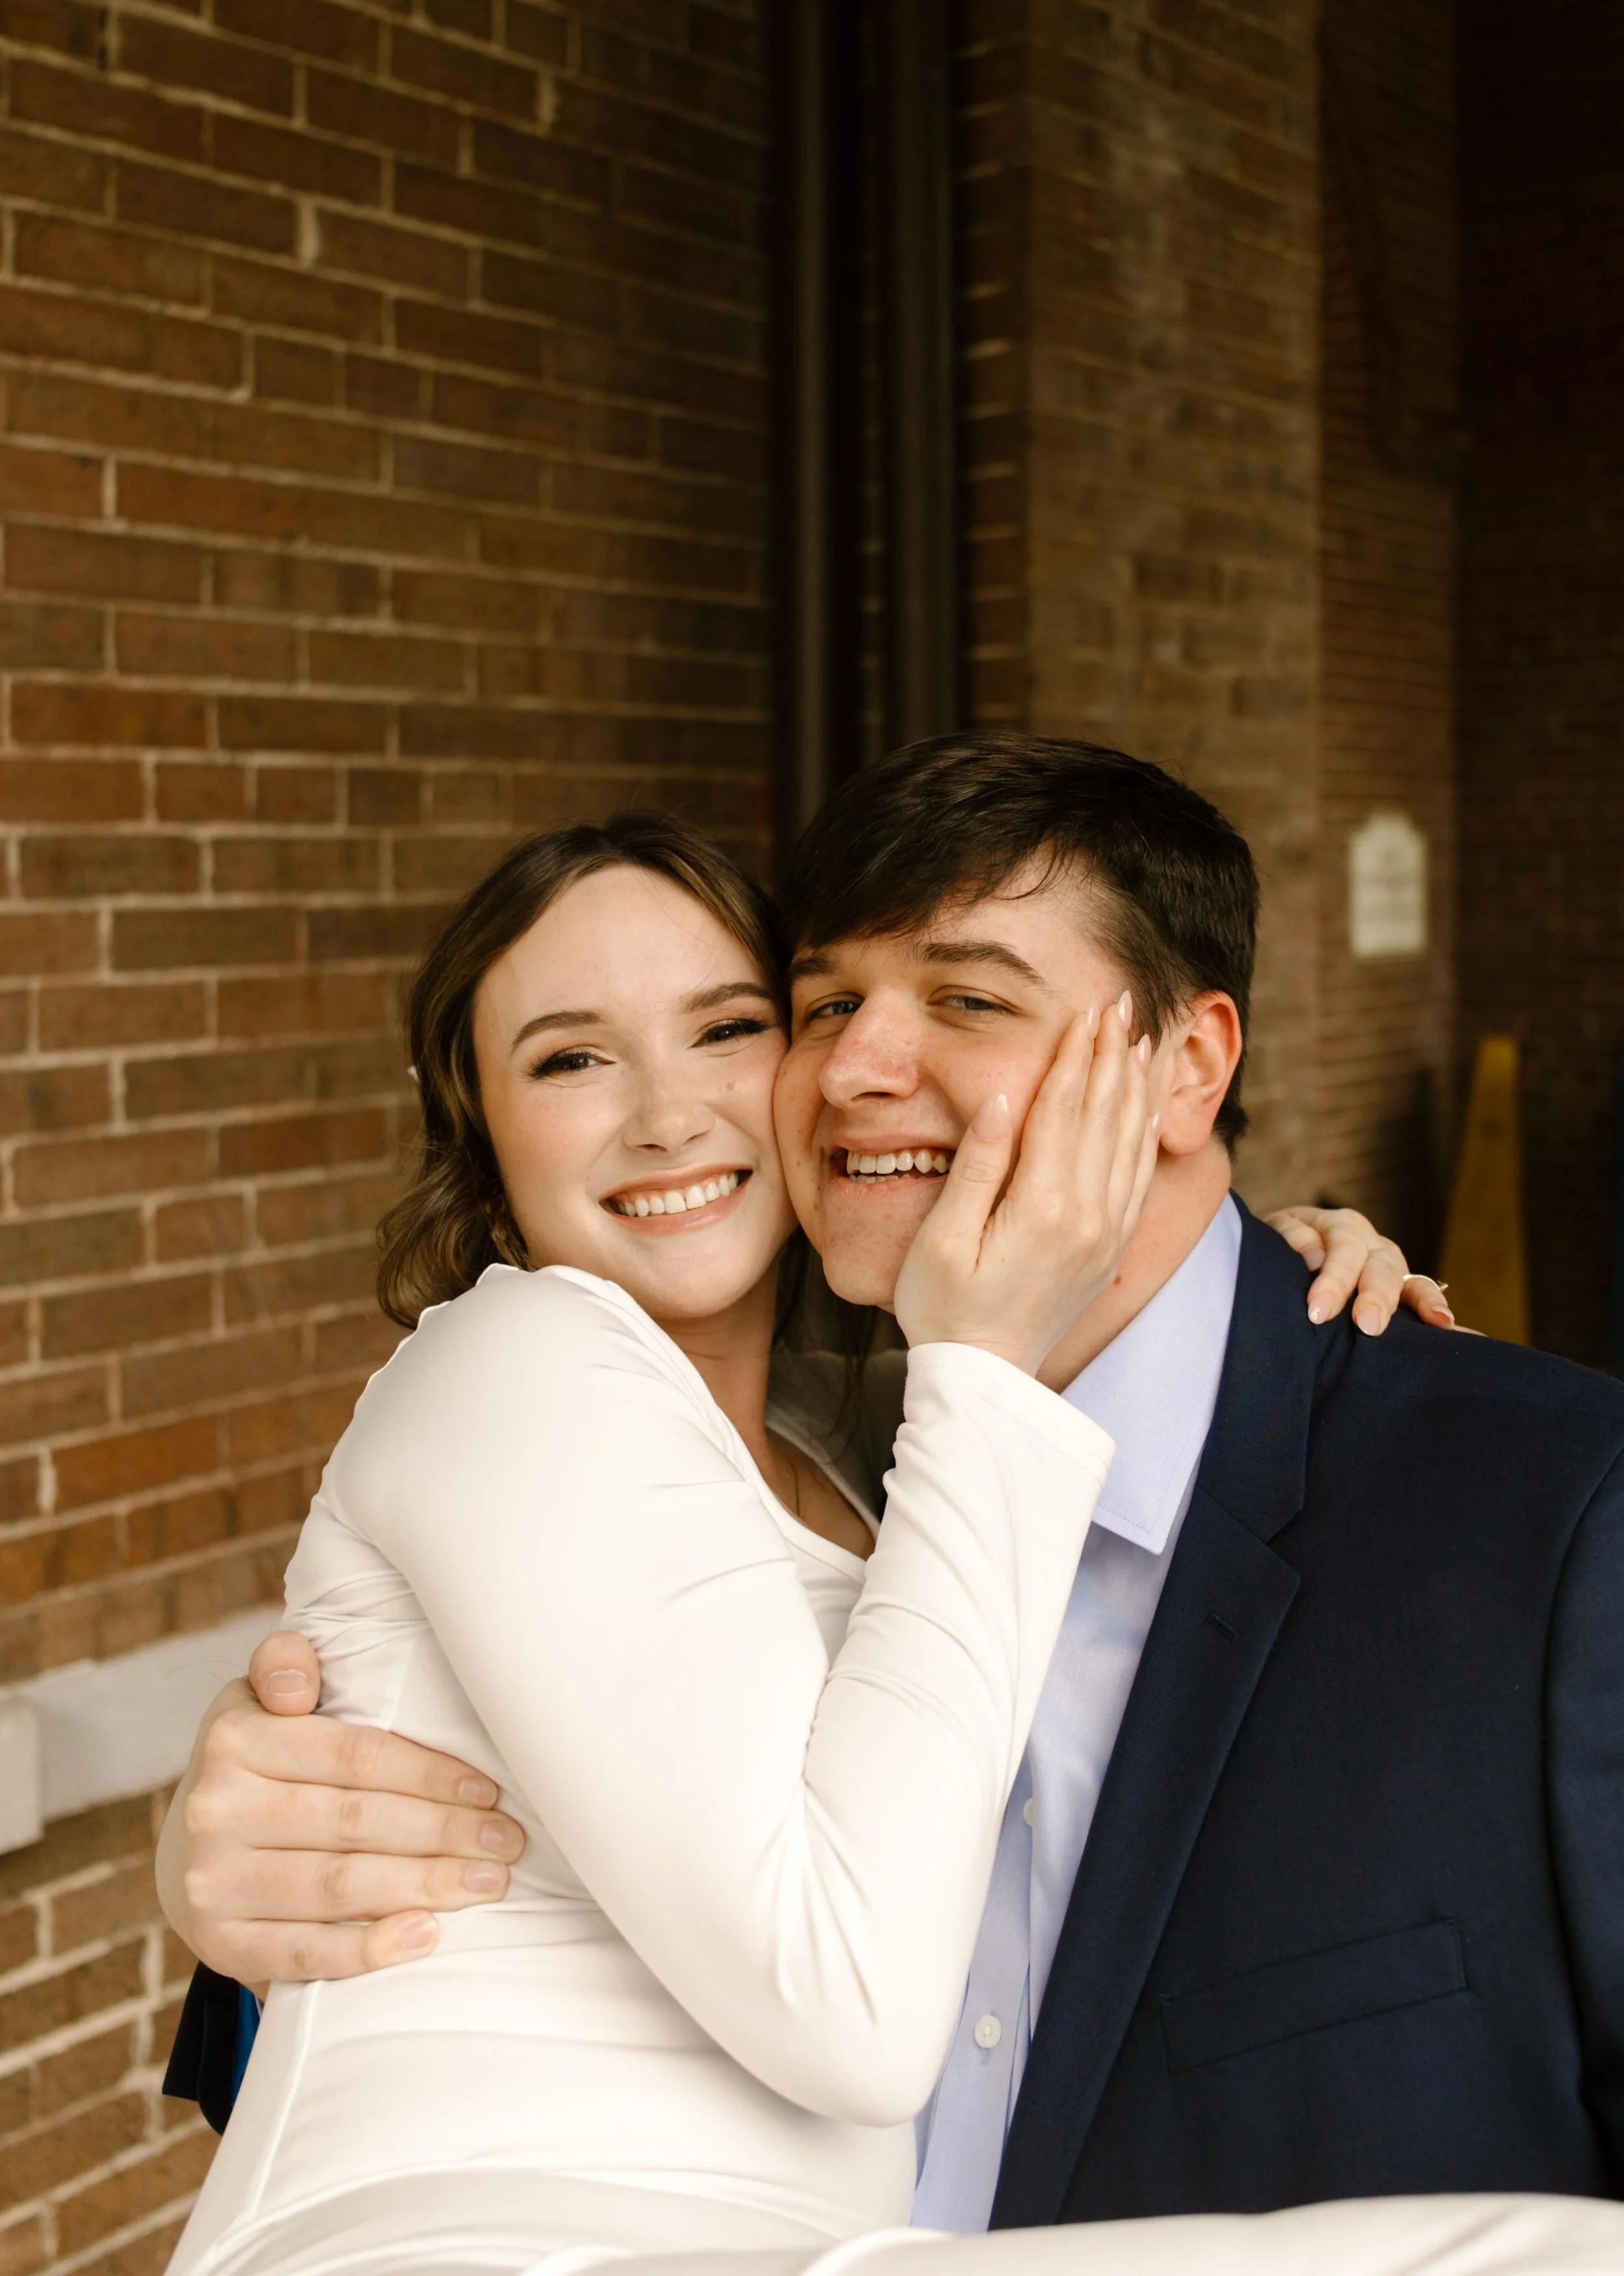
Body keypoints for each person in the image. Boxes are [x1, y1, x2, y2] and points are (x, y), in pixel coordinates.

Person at [159, 746, 1624, 2275]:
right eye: (823, 1007)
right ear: (476, 1119)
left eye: (967, 1000)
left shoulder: (866, 1447)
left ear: (1186, 1070)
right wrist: (218, 1855)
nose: (854, 1068)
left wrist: (1260, 1268)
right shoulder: (548, 1370)